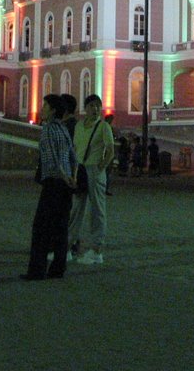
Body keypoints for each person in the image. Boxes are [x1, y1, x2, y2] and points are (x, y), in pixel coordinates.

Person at [22, 94, 76, 280]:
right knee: (61, 227)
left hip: (53, 182)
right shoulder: (63, 129)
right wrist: (71, 178)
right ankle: (58, 268)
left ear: (53, 110)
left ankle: (37, 270)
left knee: (41, 228)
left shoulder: (49, 129)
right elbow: (73, 156)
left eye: (45, 105)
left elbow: (53, 158)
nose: (42, 108)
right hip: (66, 184)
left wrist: (62, 176)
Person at [68, 94, 115, 265]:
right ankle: (67, 246)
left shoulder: (104, 127)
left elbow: (110, 151)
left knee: (97, 211)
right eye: (92, 106)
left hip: (95, 170)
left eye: (98, 106)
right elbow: (75, 148)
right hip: (80, 169)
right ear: (85, 108)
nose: (95, 109)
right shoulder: (79, 126)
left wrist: (100, 166)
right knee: (76, 208)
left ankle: (96, 250)